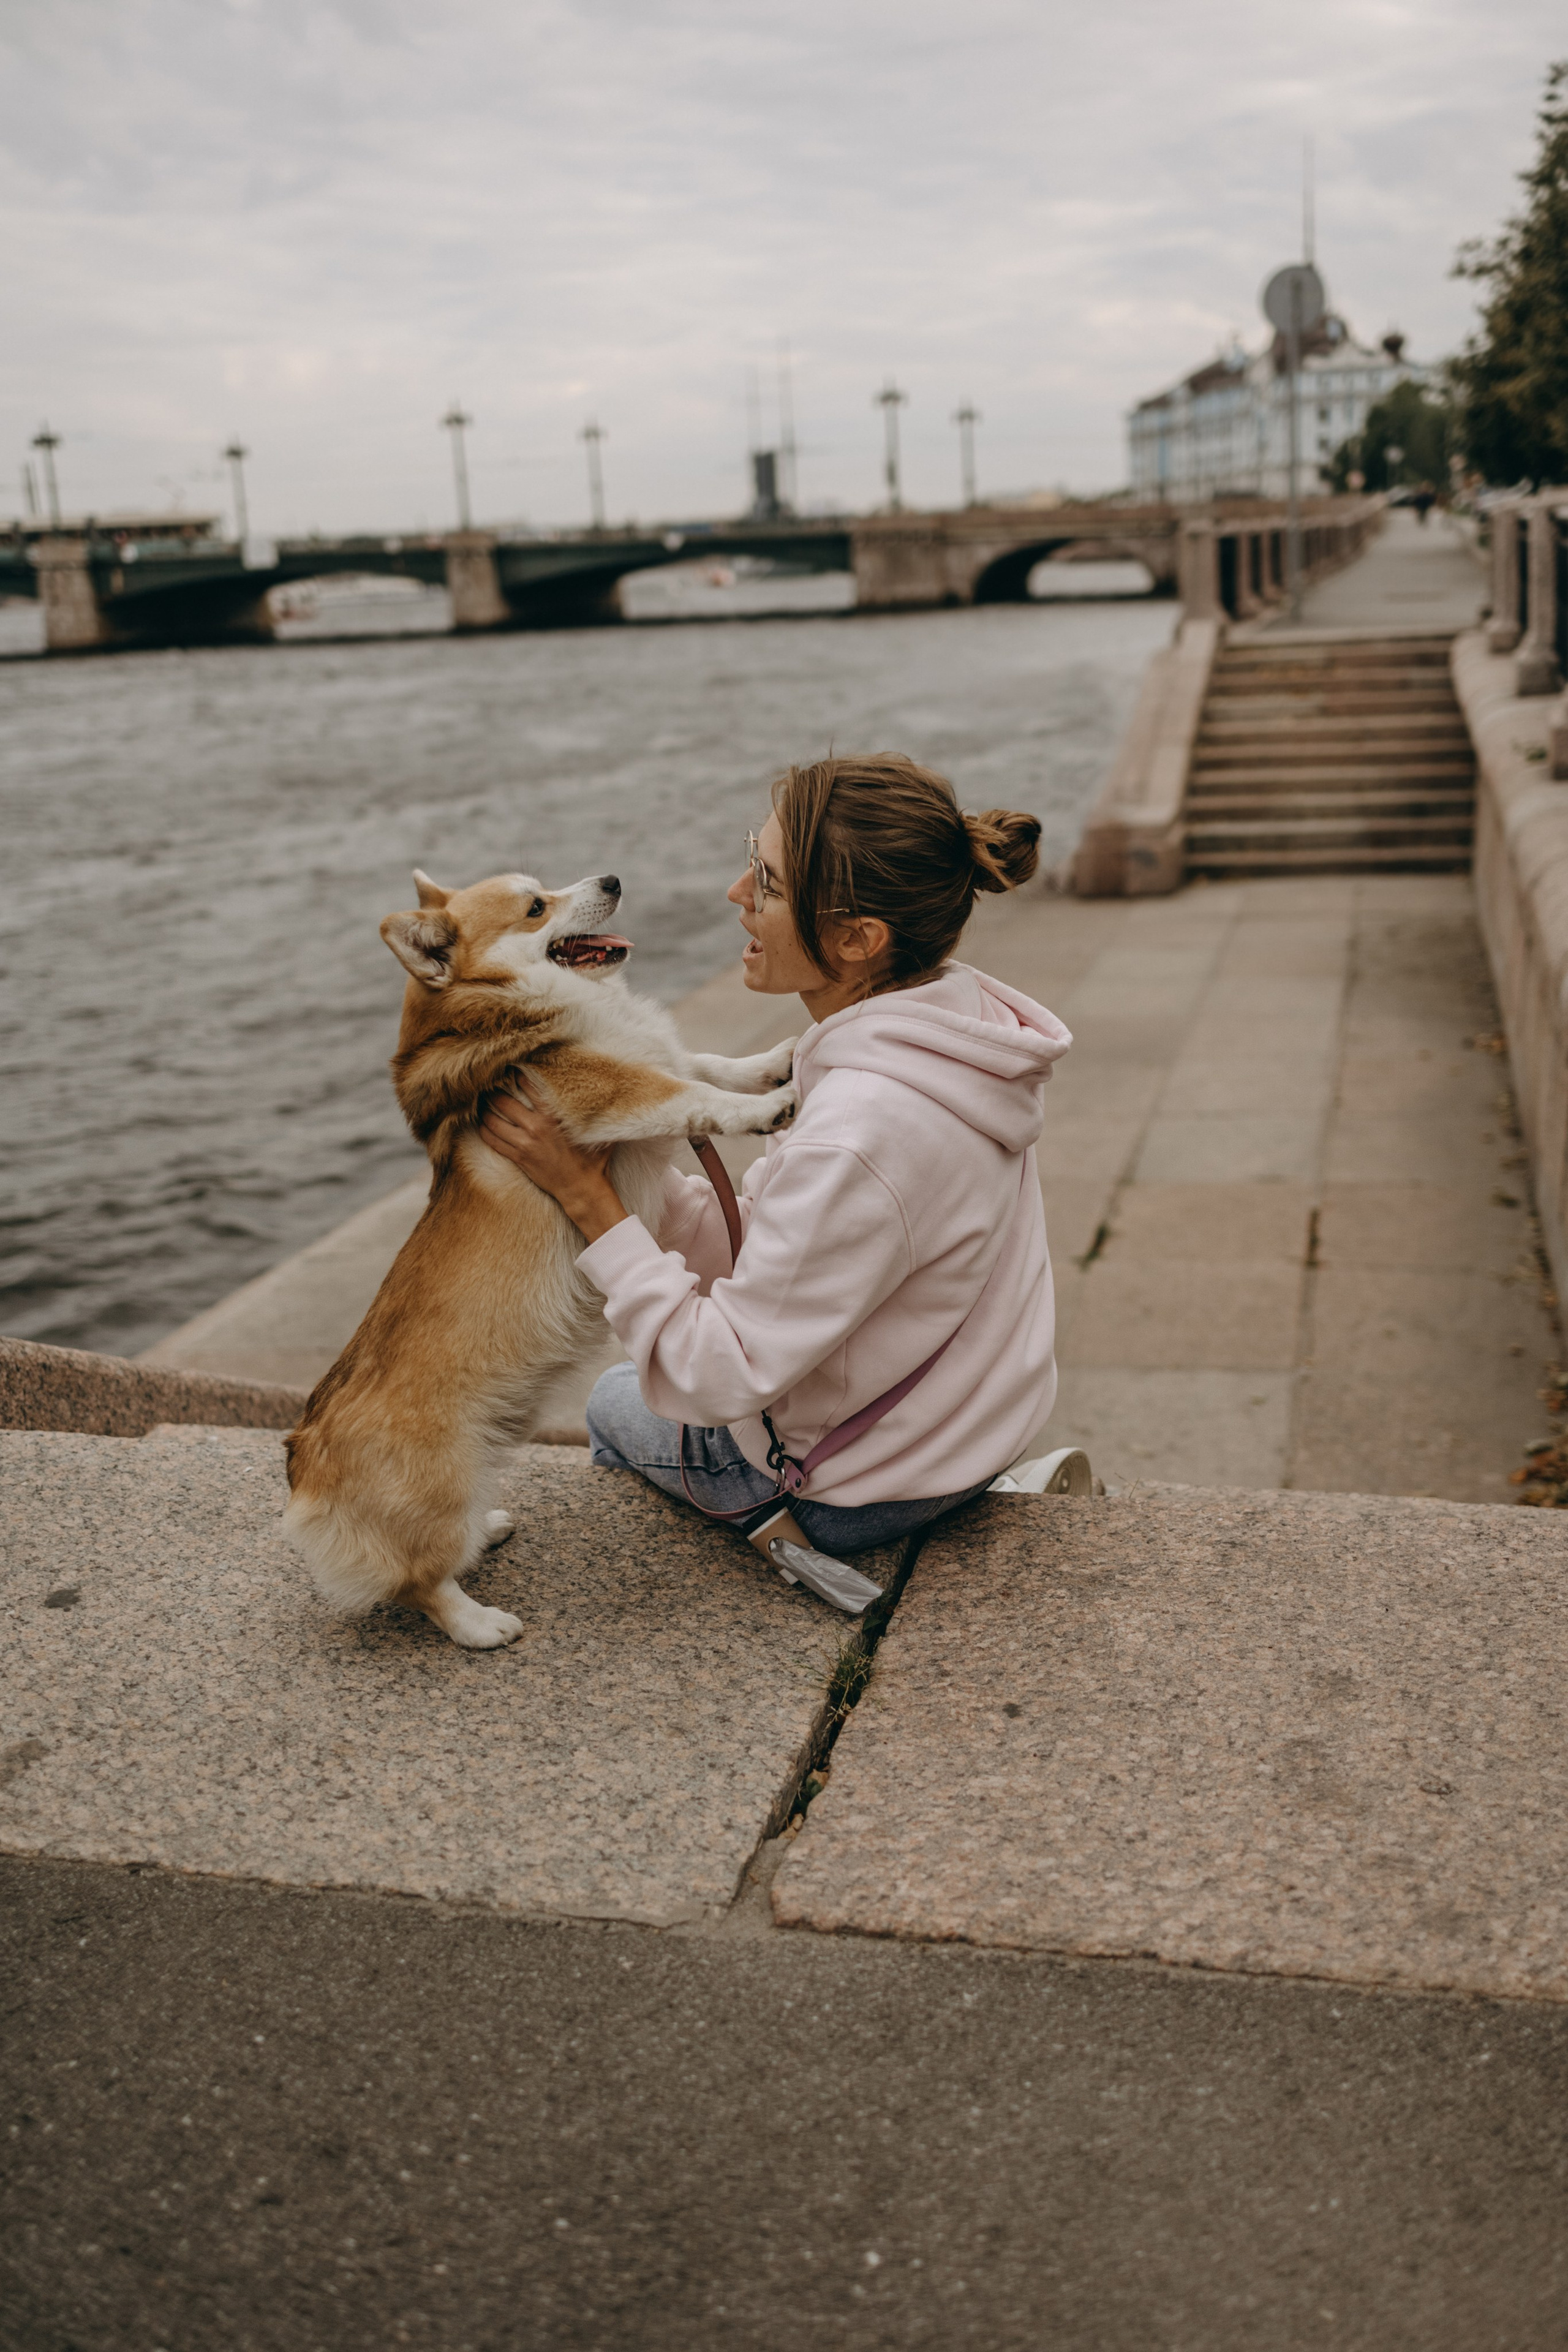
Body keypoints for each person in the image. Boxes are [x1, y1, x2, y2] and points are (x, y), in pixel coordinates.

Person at [480, 753, 1072, 1585]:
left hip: (866, 1485)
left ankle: (762, 1546)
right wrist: (627, 1166)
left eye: (766, 881)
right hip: (970, 1424)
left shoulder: (860, 1130)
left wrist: (588, 1202)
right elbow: (784, 1250)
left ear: (859, 940)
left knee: (615, 1401)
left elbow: (716, 1375)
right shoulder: (951, 1030)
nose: (735, 895)